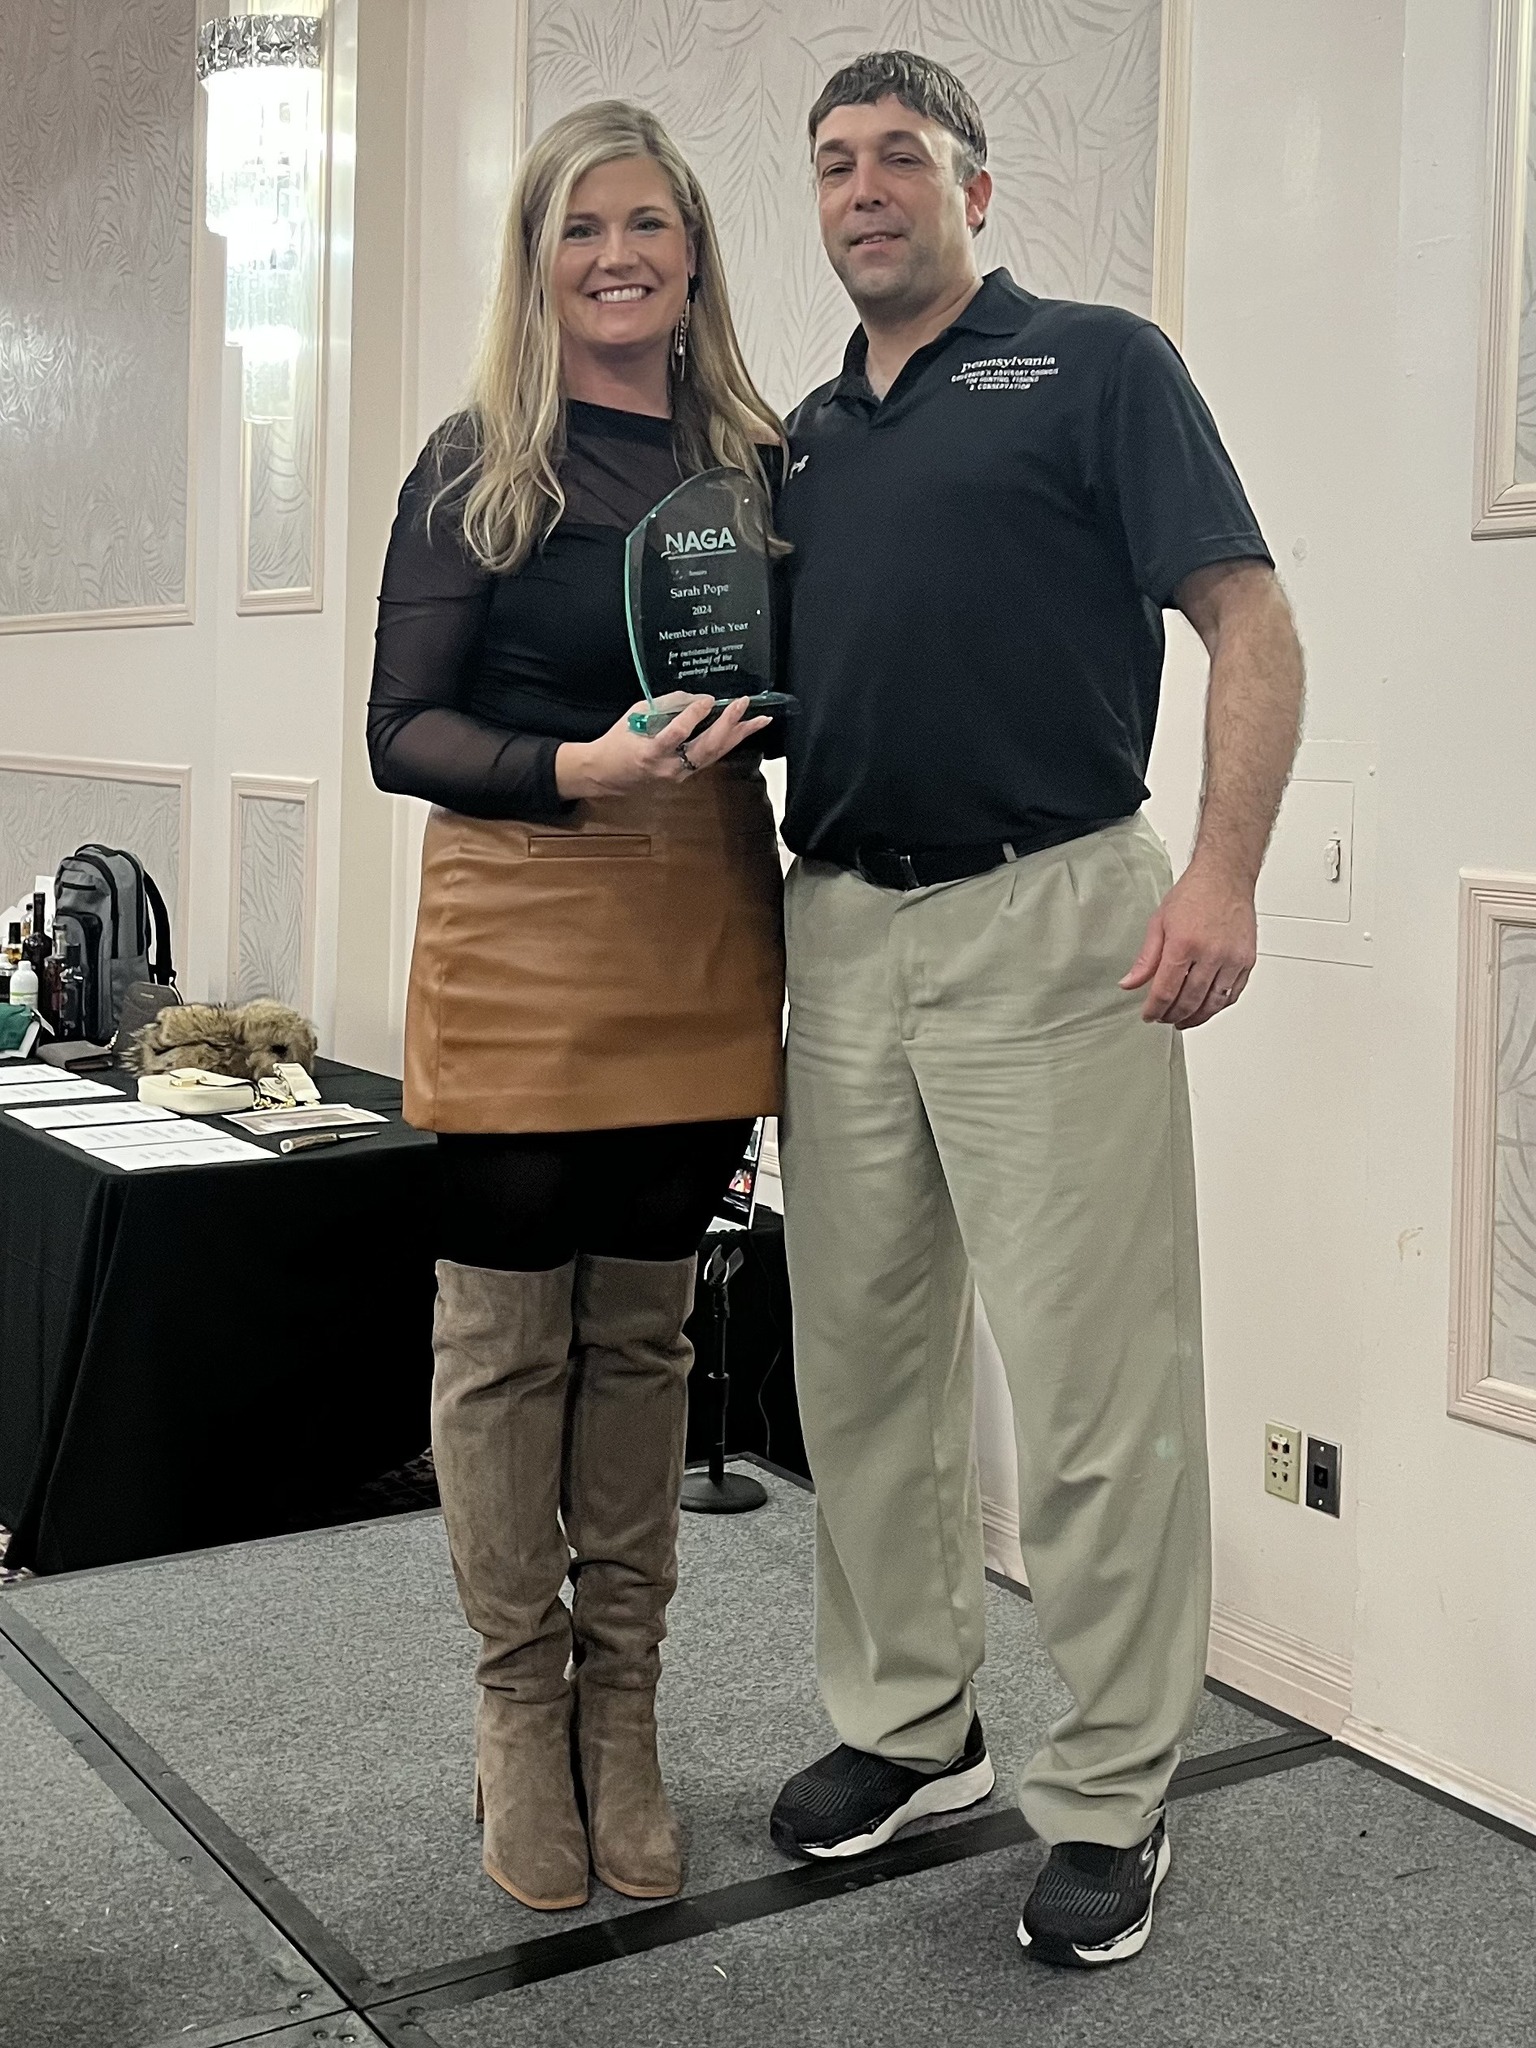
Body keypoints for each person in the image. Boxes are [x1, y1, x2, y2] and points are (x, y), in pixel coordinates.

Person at [767, 50, 1305, 1970]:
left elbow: (1248, 619)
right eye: (834, 165)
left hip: (1054, 916)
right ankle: (916, 1729)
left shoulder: (1096, 365)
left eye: (900, 158)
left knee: (1092, 1390)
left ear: (975, 190)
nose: (864, 190)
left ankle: (1111, 1796)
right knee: (863, 1374)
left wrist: (1223, 874)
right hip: (837, 933)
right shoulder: (801, 438)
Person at [368, 100, 786, 1913]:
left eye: (647, 225)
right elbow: (401, 731)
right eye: (580, 229)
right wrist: (575, 768)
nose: (618, 257)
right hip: (522, 912)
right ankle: (516, 1708)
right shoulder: (479, 460)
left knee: (643, 1332)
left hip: (700, 914)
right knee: (504, 1334)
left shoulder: (759, 461)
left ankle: (625, 1718)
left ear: (693, 253)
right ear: (536, 262)